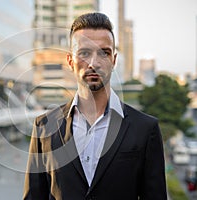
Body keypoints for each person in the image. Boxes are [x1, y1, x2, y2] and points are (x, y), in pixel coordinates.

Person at [23, 12, 167, 200]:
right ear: (70, 61)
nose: (94, 63)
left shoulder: (145, 129)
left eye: (103, 52)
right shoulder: (43, 127)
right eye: (84, 53)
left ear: (113, 60)